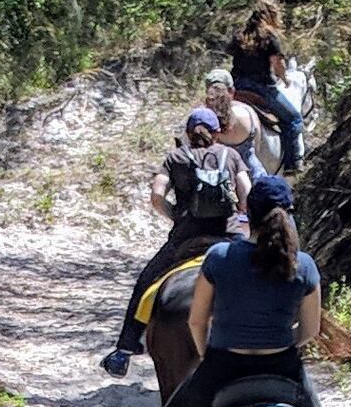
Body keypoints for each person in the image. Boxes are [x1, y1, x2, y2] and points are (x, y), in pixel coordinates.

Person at [149, 173, 333, 407]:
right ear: (289, 214)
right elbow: (311, 330)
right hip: (282, 366)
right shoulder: (305, 265)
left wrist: (207, 355)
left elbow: (196, 320)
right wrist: (283, 345)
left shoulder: (219, 257)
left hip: (224, 365)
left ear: (247, 211)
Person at [108, 108, 255, 375]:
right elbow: (248, 191)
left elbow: (156, 195)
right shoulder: (231, 155)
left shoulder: (175, 157)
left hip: (187, 238)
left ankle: (124, 350)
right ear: (216, 133)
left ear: (188, 134)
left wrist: (174, 214)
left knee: (146, 282)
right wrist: (242, 210)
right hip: (229, 236)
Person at [232, 0, 305, 173]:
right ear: (271, 15)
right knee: (294, 119)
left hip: (237, 86)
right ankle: (292, 164)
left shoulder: (240, 35)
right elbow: (277, 64)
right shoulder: (269, 37)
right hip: (261, 87)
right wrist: (284, 78)